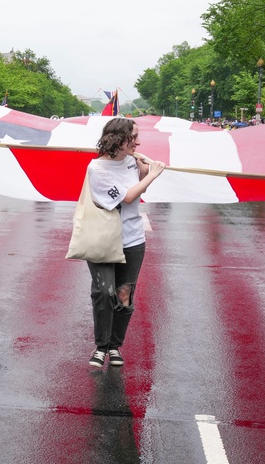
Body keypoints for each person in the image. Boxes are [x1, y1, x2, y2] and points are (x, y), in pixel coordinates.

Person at [84, 117, 165, 368]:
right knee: (104, 292)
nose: (138, 142)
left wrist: (142, 169)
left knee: (124, 293)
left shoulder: (132, 162)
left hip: (132, 239)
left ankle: (114, 346)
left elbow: (139, 188)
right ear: (118, 138)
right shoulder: (96, 169)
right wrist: (153, 174)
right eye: (133, 137)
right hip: (103, 238)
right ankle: (100, 346)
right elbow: (127, 198)